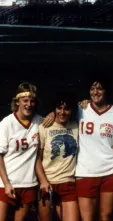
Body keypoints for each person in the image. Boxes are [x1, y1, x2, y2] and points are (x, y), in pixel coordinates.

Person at [76, 75, 113, 221]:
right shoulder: (81, 109)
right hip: (86, 171)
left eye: (99, 88)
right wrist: (52, 114)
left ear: (106, 90)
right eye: (92, 88)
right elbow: (61, 114)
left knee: (106, 216)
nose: (95, 92)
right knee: (87, 218)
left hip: (110, 170)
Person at [0, 82, 45, 221]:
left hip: (28, 183)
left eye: (32, 101)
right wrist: (6, 183)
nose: (29, 104)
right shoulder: (7, 123)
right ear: (17, 102)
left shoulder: (40, 122)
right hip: (7, 184)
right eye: (25, 100)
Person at [37, 91, 79, 221]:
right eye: (59, 108)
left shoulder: (76, 126)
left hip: (68, 183)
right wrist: (43, 180)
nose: (62, 112)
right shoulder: (44, 127)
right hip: (48, 183)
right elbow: (37, 158)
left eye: (66, 109)